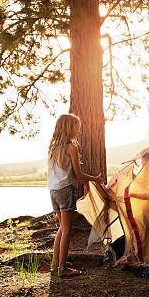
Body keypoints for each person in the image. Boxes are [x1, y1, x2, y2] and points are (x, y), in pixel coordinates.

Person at [47, 113, 104, 278]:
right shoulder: (71, 147)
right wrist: (96, 179)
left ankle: (55, 263)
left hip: (54, 191)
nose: (78, 131)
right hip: (65, 190)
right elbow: (78, 176)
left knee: (62, 228)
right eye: (77, 128)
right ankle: (62, 269)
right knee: (67, 230)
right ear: (69, 128)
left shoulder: (53, 147)